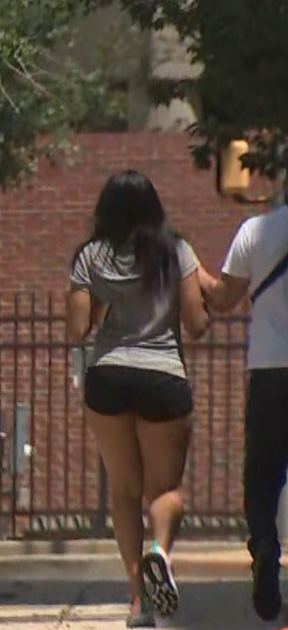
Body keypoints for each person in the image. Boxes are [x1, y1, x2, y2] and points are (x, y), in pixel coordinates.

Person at [66, 170, 210, 627]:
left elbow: (76, 329)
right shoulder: (175, 252)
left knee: (124, 491)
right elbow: (197, 323)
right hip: (161, 376)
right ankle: (158, 552)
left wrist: (108, 307)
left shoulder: (90, 256)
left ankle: (136, 599)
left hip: (107, 377)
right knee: (164, 490)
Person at [197, 202, 288, 621]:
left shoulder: (256, 230)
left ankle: (266, 546)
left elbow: (223, 298)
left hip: (270, 369)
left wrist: (189, 264)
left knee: (262, 472)